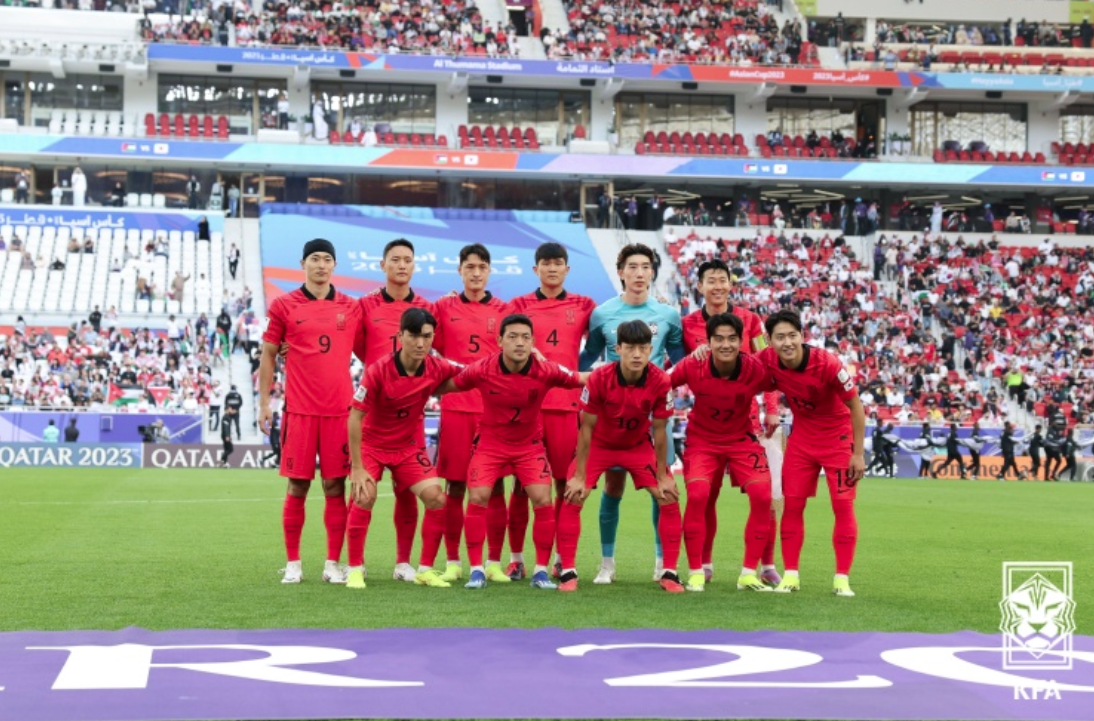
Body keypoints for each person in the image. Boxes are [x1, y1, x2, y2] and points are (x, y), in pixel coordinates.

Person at [450, 313, 588, 590]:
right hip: (490, 444)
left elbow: (580, 378)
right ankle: (476, 570)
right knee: (477, 496)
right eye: (512, 337)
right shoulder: (482, 369)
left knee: (543, 499)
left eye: (525, 337)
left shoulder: (545, 370)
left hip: (528, 446)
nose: (520, 343)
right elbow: (447, 384)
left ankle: (540, 572)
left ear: (533, 342)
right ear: (499, 340)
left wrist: (625, 373)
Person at [258, 238, 362, 585]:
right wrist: (263, 403)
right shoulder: (283, 305)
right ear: (303, 264)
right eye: (314, 258)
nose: (321, 265)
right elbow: (268, 353)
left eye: (327, 259)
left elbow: (380, 330)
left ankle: (332, 563)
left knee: (334, 486)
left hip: (339, 412)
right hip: (299, 411)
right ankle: (293, 563)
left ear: (334, 265)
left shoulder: (351, 306)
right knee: (298, 486)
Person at [579, 243, 685, 584]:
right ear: (621, 272)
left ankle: (662, 563)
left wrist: (665, 387)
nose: (640, 273)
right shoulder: (602, 314)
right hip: (612, 416)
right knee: (613, 486)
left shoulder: (668, 315)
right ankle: (607, 564)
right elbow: (587, 359)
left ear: (652, 272)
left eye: (645, 267)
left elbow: (681, 362)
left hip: (654, 415)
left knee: (662, 487)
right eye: (633, 267)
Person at [559, 320, 683, 593]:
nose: (637, 354)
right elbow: (586, 428)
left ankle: (670, 572)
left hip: (636, 446)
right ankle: (567, 571)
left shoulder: (661, 380)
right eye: (630, 348)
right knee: (573, 494)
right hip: (600, 446)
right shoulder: (599, 378)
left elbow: (660, 431)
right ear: (618, 349)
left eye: (643, 348)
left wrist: (662, 475)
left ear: (651, 349)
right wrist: (579, 476)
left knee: (668, 495)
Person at [345, 308, 462, 589]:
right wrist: (357, 468)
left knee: (437, 498)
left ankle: (424, 570)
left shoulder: (437, 366)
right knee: (364, 496)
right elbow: (354, 417)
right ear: (400, 336)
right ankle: (355, 569)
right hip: (373, 445)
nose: (421, 343)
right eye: (414, 336)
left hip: (407, 447)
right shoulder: (378, 370)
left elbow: (474, 371)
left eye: (427, 337)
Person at [680, 258, 779, 585]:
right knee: (704, 496)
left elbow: (768, 364)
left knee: (766, 496)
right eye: (711, 280)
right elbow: (677, 366)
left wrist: (771, 408)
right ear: (700, 286)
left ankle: (766, 565)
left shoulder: (751, 321)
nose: (718, 286)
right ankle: (704, 564)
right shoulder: (686, 324)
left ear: (730, 284)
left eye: (723, 280)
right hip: (707, 425)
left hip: (748, 424)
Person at [503, 242, 596, 580]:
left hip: (565, 407)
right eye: (546, 263)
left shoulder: (584, 305)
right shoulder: (519, 305)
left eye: (558, 263)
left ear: (567, 269)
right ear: (536, 269)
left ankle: (560, 558)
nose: (552, 268)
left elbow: (605, 339)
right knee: (521, 485)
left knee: (562, 484)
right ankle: (516, 559)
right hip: (527, 406)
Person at [758, 309, 866, 597]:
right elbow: (739, 371)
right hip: (802, 441)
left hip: (838, 439)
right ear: (770, 340)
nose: (787, 342)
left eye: (792, 335)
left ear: (802, 336)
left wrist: (857, 453)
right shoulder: (766, 358)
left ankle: (841, 579)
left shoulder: (827, 363)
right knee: (792, 506)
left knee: (842, 506)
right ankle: (791, 576)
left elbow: (856, 406)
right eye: (780, 337)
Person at [352, 238, 436, 583]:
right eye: (395, 259)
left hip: (410, 417)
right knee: (363, 491)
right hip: (373, 414)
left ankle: (403, 563)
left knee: (408, 491)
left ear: (414, 265)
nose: (401, 265)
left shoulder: (427, 307)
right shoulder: (364, 305)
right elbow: (355, 346)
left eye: (407, 260)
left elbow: (438, 350)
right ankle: (355, 564)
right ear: (382, 264)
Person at [431, 244, 510, 584]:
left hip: (493, 410)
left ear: (489, 271)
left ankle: (493, 562)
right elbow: (422, 341)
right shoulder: (442, 307)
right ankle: (453, 561)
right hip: (457, 409)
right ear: (460, 271)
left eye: (482, 267)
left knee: (496, 487)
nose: (476, 273)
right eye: (470, 267)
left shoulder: (505, 310)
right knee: (456, 487)